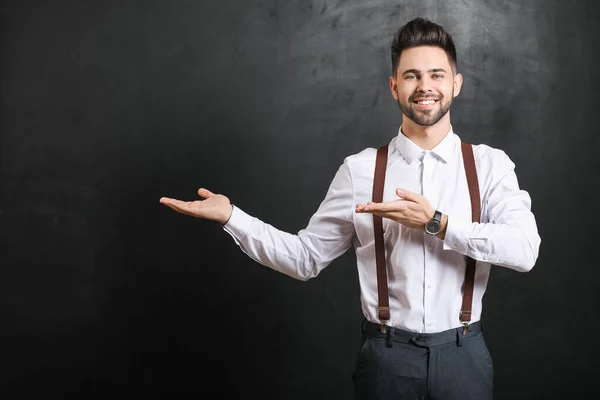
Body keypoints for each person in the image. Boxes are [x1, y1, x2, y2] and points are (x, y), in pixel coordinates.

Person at [159, 17, 541, 400]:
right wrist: (231, 217)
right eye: (411, 76)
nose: (425, 86)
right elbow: (305, 258)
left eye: (436, 75)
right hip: (386, 361)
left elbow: (525, 250)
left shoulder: (489, 166)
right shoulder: (360, 171)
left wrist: (437, 223)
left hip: (465, 357)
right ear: (394, 87)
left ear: (455, 84)